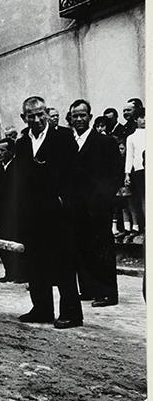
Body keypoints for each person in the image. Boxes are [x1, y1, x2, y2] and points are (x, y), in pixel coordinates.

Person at [15, 96, 82, 329]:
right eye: (31, 116)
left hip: (58, 212)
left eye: (41, 114)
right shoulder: (22, 143)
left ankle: (71, 313)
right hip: (32, 214)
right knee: (35, 262)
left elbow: (75, 174)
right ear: (24, 118)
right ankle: (42, 309)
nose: (37, 119)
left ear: (47, 113)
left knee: (63, 262)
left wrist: (66, 202)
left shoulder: (63, 137)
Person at [69, 99, 122, 307]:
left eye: (83, 115)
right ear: (71, 118)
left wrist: (104, 197)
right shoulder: (68, 143)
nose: (79, 119)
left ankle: (108, 293)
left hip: (99, 207)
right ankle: (88, 289)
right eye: (75, 116)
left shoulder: (105, 142)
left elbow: (116, 174)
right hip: (76, 206)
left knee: (102, 248)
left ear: (90, 117)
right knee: (81, 246)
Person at [0, 138, 26, 283]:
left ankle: (21, 273)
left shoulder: (18, 167)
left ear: (11, 152)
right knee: (4, 243)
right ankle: (9, 272)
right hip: (2, 214)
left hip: (17, 213)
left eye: (3, 150)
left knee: (18, 242)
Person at [124, 104, 145, 235]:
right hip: (140, 170)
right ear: (136, 119)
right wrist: (127, 174)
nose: (144, 120)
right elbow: (129, 157)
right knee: (144, 198)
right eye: (141, 117)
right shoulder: (131, 137)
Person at [114, 140, 134, 239]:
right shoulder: (116, 160)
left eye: (122, 149)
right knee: (122, 207)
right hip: (118, 186)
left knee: (130, 205)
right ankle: (126, 228)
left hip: (126, 185)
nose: (120, 151)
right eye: (118, 149)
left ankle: (134, 227)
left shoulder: (127, 161)